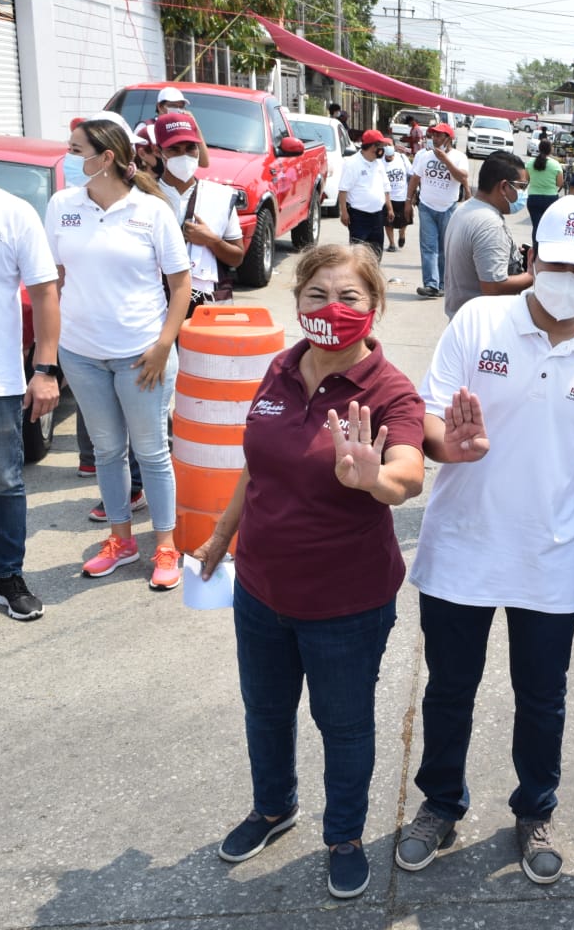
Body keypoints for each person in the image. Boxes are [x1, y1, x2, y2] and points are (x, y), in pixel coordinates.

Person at [397, 196, 574, 885]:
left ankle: (535, 811)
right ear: (534, 260)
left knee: (543, 696)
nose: (570, 280)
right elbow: (429, 419)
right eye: (559, 263)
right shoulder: (478, 321)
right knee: (449, 689)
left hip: (548, 554)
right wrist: (452, 445)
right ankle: (439, 806)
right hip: (462, 547)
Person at [195, 243, 425, 900]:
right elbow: (255, 464)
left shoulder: (387, 389)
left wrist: (371, 475)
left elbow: (408, 473)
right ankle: (274, 808)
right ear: (297, 302)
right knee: (265, 712)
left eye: (349, 296)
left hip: (345, 605)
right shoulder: (281, 367)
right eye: (317, 294)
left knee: (343, 724)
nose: (332, 308)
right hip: (261, 588)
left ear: (374, 307)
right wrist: (221, 533)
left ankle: (344, 835)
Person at [46, 115, 192, 590]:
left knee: (151, 452)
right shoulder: (62, 205)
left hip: (140, 355)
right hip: (81, 354)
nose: (68, 159)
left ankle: (166, 546)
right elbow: (57, 278)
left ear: (106, 157)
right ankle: (121, 541)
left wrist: (163, 346)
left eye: (75, 149)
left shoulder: (152, 211)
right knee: (108, 451)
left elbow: (181, 283)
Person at [0, 107, 60, 621]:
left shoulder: (13, 213)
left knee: (4, 484)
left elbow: (45, 293)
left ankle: (8, 577)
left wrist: (45, 369)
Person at [153, 111, 244, 313]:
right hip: (154, 301)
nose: (183, 155)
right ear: (159, 151)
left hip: (205, 301)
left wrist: (212, 240)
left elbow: (236, 257)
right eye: (174, 149)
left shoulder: (219, 196)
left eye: (190, 148)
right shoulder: (144, 196)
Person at [442, 151, 532, 319]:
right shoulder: (490, 225)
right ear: (504, 186)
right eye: (521, 187)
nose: (523, 194)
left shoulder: (466, 208)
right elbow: (494, 287)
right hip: (481, 326)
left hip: (463, 318)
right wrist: (533, 275)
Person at [409, 123, 468, 299]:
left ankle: (443, 284)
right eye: (433, 135)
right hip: (426, 206)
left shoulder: (459, 157)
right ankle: (431, 284)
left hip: (448, 208)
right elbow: (415, 178)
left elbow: (462, 177)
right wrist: (407, 200)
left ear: (449, 139)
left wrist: (445, 160)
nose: (435, 139)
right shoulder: (424, 156)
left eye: (439, 136)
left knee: (444, 248)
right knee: (428, 247)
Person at [338, 129, 392, 258]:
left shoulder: (378, 164)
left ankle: (371, 278)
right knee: (358, 255)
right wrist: (344, 213)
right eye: (381, 146)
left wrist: (389, 208)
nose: (383, 150)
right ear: (373, 146)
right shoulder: (352, 163)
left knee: (376, 252)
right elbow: (343, 190)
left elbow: (385, 187)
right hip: (359, 216)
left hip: (378, 216)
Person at [526, 138, 565, 246]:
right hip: (551, 199)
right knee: (549, 228)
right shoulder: (556, 164)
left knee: (536, 227)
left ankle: (535, 254)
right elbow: (559, 183)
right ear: (550, 150)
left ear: (539, 149)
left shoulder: (530, 163)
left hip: (534, 198)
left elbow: (526, 179)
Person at [381, 143, 411, 252]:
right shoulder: (380, 162)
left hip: (402, 195)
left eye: (391, 155)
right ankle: (392, 244)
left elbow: (411, 173)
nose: (390, 158)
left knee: (405, 220)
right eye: (388, 156)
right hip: (388, 197)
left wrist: (412, 194)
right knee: (388, 222)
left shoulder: (401, 158)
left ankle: (402, 233)